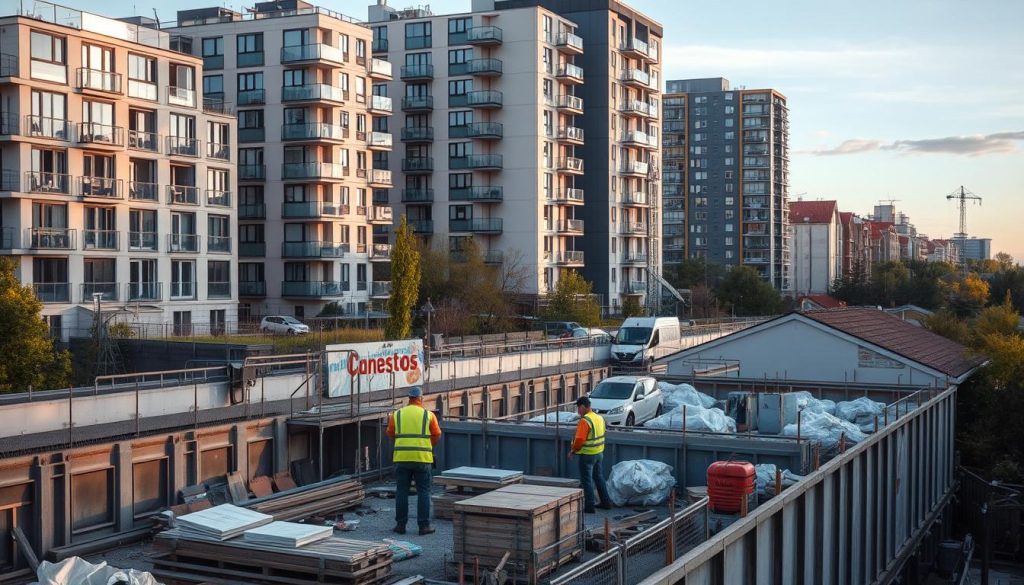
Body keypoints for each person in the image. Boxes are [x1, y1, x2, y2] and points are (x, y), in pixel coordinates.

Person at [387, 386, 442, 535]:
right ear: (421, 398)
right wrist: (428, 445)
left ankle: (400, 526)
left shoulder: (397, 415)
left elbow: (390, 433)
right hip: (422, 459)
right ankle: (424, 526)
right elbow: (437, 434)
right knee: (424, 491)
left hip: (402, 458)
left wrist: (401, 445)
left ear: (408, 399)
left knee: (401, 491)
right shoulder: (428, 415)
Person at [567, 396, 613, 513]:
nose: (578, 411)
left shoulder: (585, 421)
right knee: (599, 478)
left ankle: (589, 506)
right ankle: (606, 502)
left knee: (586, 480)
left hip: (587, 455)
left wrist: (572, 451)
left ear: (583, 406)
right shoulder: (599, 418)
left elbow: (580, 440)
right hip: (599, 453)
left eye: (578, 408)